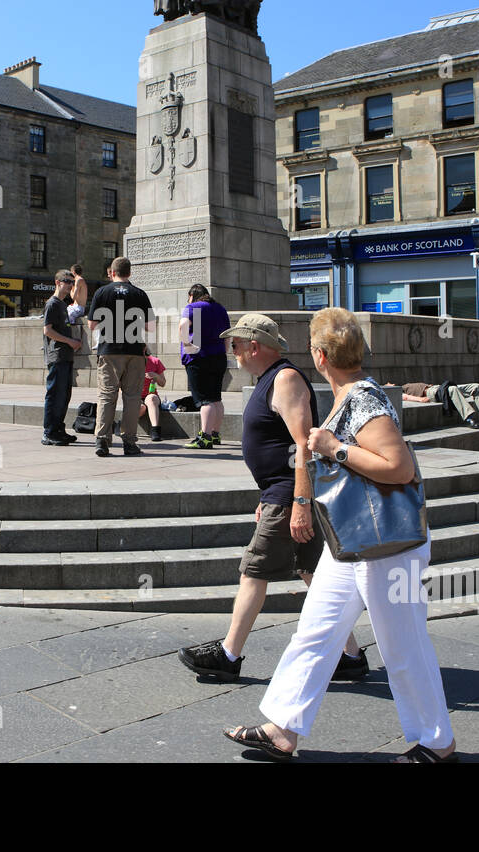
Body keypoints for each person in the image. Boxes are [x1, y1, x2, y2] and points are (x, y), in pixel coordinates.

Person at [223, 307, 457, 763]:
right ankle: (282, 729)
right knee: (316, 629)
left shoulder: (364, 399)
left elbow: (398, 467)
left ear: (320, 355)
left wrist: (334, 447)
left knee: (403, 644)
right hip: (352, 539)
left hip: (386, 545)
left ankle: (438, 744)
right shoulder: (349, 393)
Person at [178, 313, 367, 684]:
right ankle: (351, 655)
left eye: (235, 344)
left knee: (253, 570)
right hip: (280, 493)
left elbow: (303, 445)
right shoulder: (271, 380)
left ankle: (229, 655)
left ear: (254, 345)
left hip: (289, 494)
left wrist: (298, 504)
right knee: (313, 573)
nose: (232, 351)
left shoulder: (285, 379)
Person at [85, 256, 154, 457]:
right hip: (134, 352)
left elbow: (92, 325)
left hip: (109, 351)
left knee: (107, 395)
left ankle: (102, 441)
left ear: (112, 272)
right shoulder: (140, 294)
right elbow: (150, 327)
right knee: (132, 398)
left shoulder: (101, 292)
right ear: (129, 273)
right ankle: (130, 443)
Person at [178, 284, 231, 449]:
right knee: (216, 398)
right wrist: (224, 351)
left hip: (198, 358)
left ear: (192, 295)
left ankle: (205, 437)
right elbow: (227, 335)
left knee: (204, 400)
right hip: (218, 357)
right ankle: (215, 434)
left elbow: (182, 326)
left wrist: (187, 344)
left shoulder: (192, 307)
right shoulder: (220, 309)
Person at [41, 271, 81, 446]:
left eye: (72, 282)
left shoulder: (63, 305)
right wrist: (70, 341)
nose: (70, 285)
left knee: (64, 395)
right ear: (57, 282)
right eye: (67, 281)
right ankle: (49, 432)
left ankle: (58, 429)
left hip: (65, 356)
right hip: (56, 356)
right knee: (55, 394)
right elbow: (47, 330)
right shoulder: (52, 304)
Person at [391, 380, 479, 429]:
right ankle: (469, 418)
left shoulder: (404, 384)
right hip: (432, 393)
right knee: (453, 389)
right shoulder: (399, 391)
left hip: (439, 388)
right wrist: (420, 399)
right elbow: (405, 397)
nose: (390, 383)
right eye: (387, 384)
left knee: (475, 386)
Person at [140, 353, 167, 442]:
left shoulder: (155, 361)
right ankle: (123, 424)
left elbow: (162, 383)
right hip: (135, 396)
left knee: (152, 399)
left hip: (150, 395)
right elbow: (121, 386)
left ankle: (155, 431)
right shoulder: (130, 362)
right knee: (141, 408)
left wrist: (156, 375)